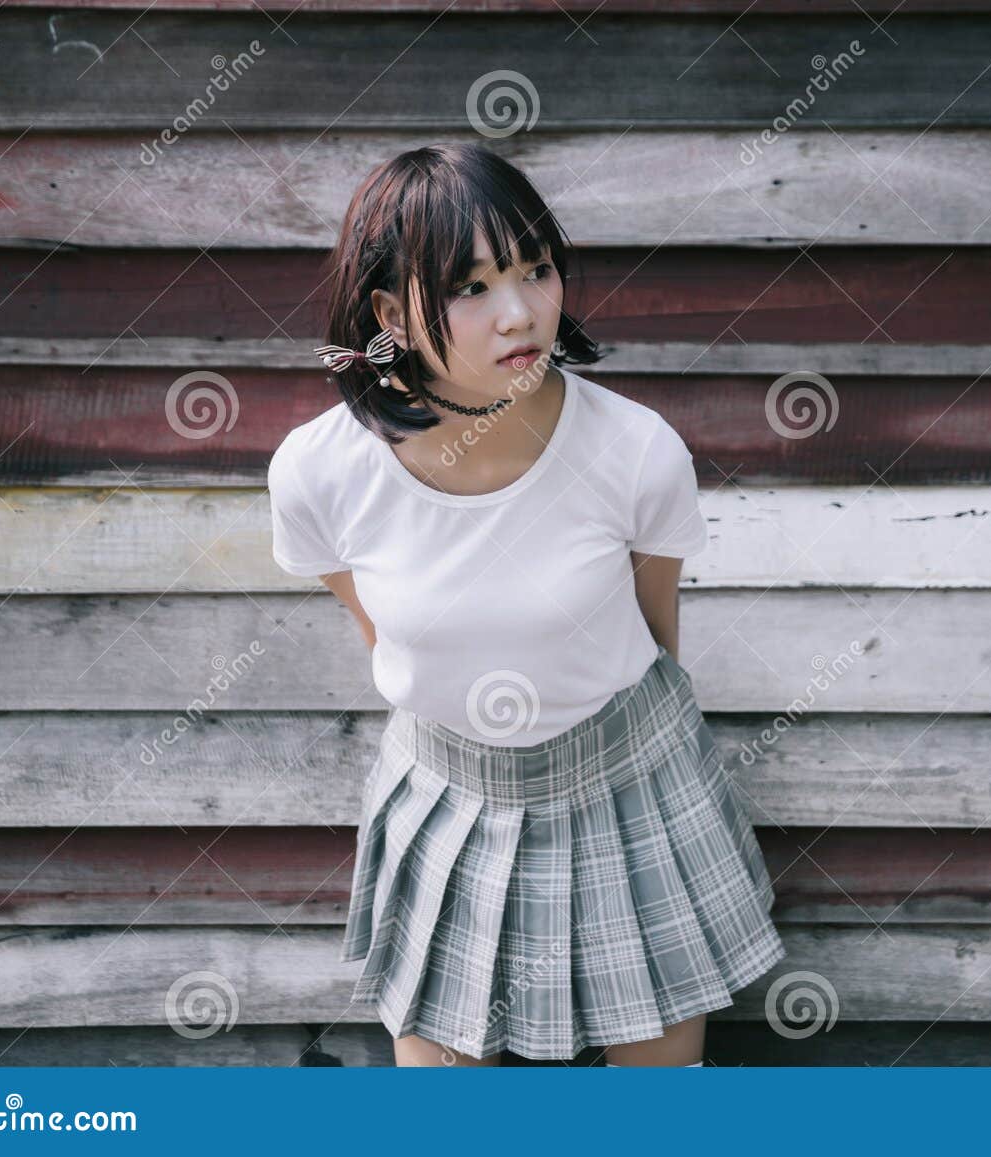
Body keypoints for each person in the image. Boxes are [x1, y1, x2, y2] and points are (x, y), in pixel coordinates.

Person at [267, 143, 785, 1067]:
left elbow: (657, 641)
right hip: (449, 797)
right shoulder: (318, 471)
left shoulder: (636, 449)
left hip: (628, 783)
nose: (521, 312)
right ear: (390, 313)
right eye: (470, 287)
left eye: (536, 269)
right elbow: (392, 642)